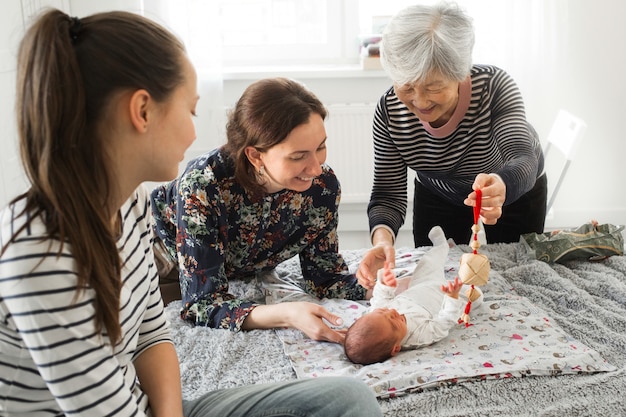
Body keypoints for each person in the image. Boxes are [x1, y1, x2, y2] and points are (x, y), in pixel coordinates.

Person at [0, 9, 383, 417]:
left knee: (349, 400)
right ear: (142, 111)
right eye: (191, 110)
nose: (195, 133)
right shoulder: (40, 256)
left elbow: (150, 337)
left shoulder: (128, 206)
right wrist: (283, 314)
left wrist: (378, 285)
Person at [151, 77, 371, 344]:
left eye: (321, 147)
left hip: (238, 272)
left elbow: (325, 277)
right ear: (255, 156)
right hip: (164, 263)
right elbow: (201, 304)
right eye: (298, 156)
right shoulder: (203, 184)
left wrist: (380, 287)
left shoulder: (321, 187)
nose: (315, 168)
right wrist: (287, 314)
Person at [357, 2, 547, 288]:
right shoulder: (389, 111)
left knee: (514, 283)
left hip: (512, 193)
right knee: (441, 284)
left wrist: (500, 187)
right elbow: (387, 194)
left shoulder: (495, 87)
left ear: (460, 73)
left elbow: (522, 157)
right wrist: (382, 240)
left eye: (433, 87)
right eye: (407, 87)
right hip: (439, 195)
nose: (419, 101)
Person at [345, 226, 482, 365]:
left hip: (420, 285)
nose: (392, 311)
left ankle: (442, 246)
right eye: (393, 321)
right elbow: (443, 323)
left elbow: (380, 298)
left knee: (428, 262)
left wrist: (385, 284)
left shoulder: (378, 315)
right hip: (442, 298)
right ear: (396, 348)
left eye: (383, 311)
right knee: (476, 295)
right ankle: (465, 292)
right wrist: (452, 298)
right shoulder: (418, 336)